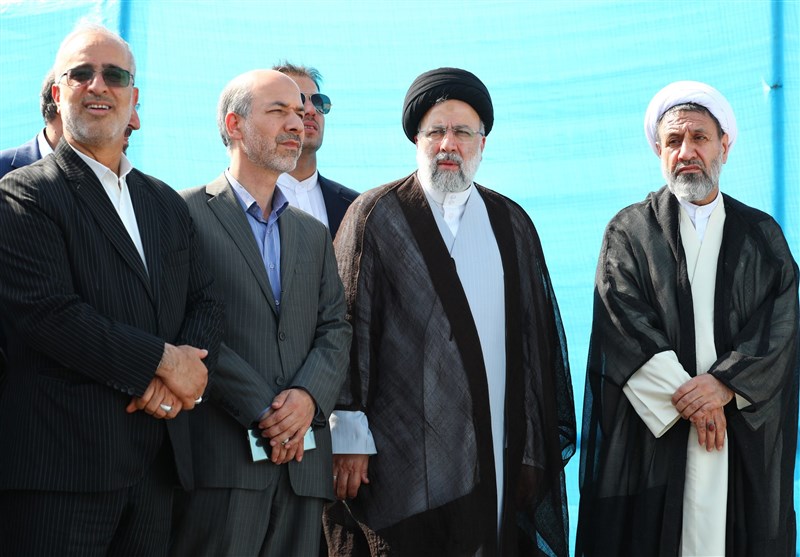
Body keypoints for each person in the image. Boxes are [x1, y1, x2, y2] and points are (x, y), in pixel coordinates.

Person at [326, 67, 576, 556]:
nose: (448, 144)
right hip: (401, 446)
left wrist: (531, 444)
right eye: (435, 131)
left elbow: (536, 342)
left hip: (495, 435)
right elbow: (348, 325)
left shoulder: (511, 222)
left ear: (483, 142)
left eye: (462, 132)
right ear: (416, 139)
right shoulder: (376, 215)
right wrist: (348, 434)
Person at [0, 24, 223, 556]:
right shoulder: (23, 194)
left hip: (155, 470)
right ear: (58, 93)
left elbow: (206, 300)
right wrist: (163, 364)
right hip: (61, 472)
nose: (98, 85)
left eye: (115, 75)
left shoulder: (164, 202)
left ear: (133, 97)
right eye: (81, 73)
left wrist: (183, 377)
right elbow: (51, 315)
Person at [576, 81, 799, 556]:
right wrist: (694, 400)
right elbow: (621, 321)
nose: (686, 152)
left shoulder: (761, 236)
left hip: (735, 434)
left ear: (725, 146)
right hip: (656, 436)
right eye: (673, 141)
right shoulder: (630, 232)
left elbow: (780, 325)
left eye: (699, 137)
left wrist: (725, 385)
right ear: (659, 151)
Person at [170, 69, 351, 557]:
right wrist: (267, 411)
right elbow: (185, 323)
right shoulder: (183, 213)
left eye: (300, 111)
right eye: (279, 111)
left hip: (302, 468)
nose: (296, 122)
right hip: (222, 462)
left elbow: (335, 326)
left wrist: (308, 398)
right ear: (234, 125)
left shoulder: (312, 233)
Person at [0, 71, 140, 179]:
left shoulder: (133, 187)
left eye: (135, 107)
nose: (135, 123)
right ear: (60, 100)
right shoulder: (5, 172)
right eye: (107, 108)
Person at [273, 62, 359, 238]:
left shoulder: (353, 206)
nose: (311, 110)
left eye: (319, 102)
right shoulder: (245, 202)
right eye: (298, 100)